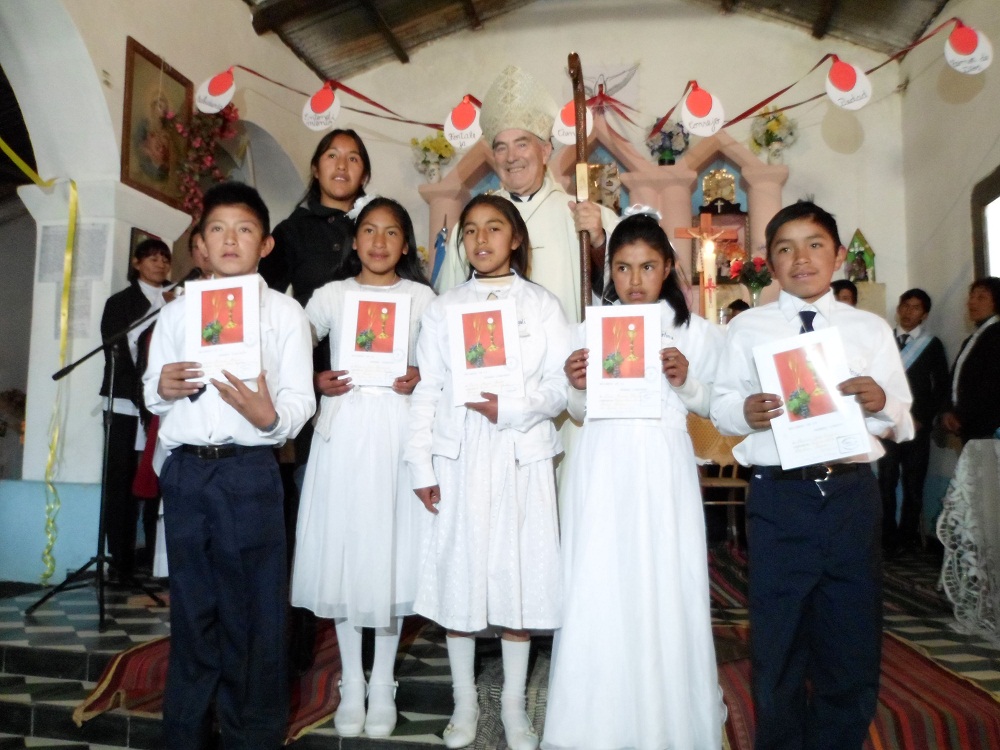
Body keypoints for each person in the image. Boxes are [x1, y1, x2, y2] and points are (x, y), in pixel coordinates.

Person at [710, 201, 913, 750]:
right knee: (779, 636)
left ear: (838, 255)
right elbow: (721, 404)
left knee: (851, 633)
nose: (801, 258)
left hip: (850, 494)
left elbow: (902, 419)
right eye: (786, 248)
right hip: (780, 497)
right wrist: (743, 412)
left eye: (815, 245)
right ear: (769, 262)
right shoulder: (748, 328)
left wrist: (880, 402)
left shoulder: (868, 328)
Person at [142, 182, 316, 750]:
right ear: (200, 244)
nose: (230, 239)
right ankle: (185, 735)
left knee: (256, 615)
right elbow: (152, 390)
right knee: (193, 610)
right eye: (218, 228)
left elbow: (300, 399)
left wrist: (271, 418)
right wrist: (162, 388)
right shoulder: (176, 312)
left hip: (248, 472)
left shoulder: (284, 313)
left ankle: (252, 735)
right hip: (188, 473)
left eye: (244, 229)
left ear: (265, 244)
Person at [542, 210, 725, 750]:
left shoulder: (695, 333)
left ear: (667, 266)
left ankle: (667, 723)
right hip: (601, 467)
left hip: (662, 469)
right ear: (609, 271)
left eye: (647, 266)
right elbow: (578, 412)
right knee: (600, 582)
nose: (635, 280)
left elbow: (715, 406)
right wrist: (576, 385)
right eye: (622, 268)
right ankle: (594, 724)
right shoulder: (587, 331)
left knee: (664, 582)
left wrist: (687, 383)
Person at [406, 194, 570, 750]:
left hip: (520, 450)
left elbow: (560, 384)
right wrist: (421, 463)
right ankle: (464, 701)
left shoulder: (542, 305)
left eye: (494, 228)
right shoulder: (444, 307)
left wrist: (514, 408)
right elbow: (428, 387)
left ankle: (514, 705)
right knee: (461, 575)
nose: (481, 239)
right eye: (472, 230)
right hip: (461, 453)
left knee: (516, 580)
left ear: (515, 238)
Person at [290, 197, 436, 737]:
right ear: (355, 240)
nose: (379, 242)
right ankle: (351, 681)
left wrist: (422, 373)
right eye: (369, 230)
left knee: (387, 554)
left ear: (406, 244)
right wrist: (312, 379)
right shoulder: (332, 296)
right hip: (344, 435)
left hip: (397, 435)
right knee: (347, 555)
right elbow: (287, 343)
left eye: (391, 232)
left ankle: (383, 681)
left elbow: (445, 363)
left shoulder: (422, 299)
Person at [258, 129, 373, 669]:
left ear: (365, 172)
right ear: (316, 166)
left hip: (375, 400)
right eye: (332, 155)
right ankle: (295, 643)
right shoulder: (290, 231)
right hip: (312, 397)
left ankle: (369, 637)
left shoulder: (378, 225)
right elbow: (263, 304)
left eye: (353, 158)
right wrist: (305, 375)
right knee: (307, 517)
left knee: (365, 513)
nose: (342, 165)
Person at [434, 65, 618, 323]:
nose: (511, 157)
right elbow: (448, 304)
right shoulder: (472, 226)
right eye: (501, 148)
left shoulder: (584, 215)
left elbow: (625, 290)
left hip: (564, 346)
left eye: (522, 144)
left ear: (545, 151)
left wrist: (598, 242)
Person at [99, 237, 172, 584]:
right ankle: (120, 560)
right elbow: (118, 346)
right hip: (126, 399)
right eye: (152, 258)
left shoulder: (176, 297)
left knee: (157, 476)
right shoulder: (120, 302)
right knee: (121, 480)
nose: (160, 264)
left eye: (164, 259)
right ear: (136, 263)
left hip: (162, 401)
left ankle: (155, 558)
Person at [878, 289, 949, 553]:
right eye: (905, 306)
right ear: (898, 308)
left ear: (925, 314)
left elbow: (940, 387)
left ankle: (906, 539)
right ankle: (887, 537)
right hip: (887, 425)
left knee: (913, 483)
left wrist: (922, 418)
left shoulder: (932, 345)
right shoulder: (883, 340)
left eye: (916, 308)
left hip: (917, 426)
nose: (909, 312)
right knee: (885, 481)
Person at [941, 277, 1000, 442]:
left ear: (996, 302)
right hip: (969, 426)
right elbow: (955, 380)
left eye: (981, 297)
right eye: (971, 296)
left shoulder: (996, 335)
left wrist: (960, 415)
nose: (972, 302)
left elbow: (991, 385)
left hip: (989, 428)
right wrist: (947, 410)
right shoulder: (972, 339)